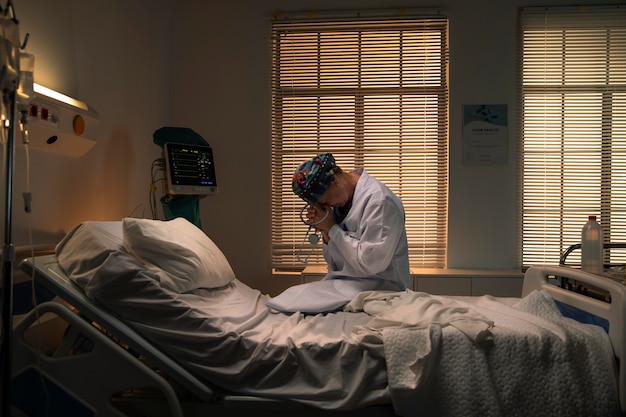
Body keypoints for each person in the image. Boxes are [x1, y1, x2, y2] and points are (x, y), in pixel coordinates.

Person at [292, 153, 411, 291]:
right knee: (290, 298)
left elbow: (371, 264)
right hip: (344, 285)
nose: (328, 206)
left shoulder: (379, 201)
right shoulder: (340, 204)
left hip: (380, 289)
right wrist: (325, 231)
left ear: (334, 180)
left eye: (325, 201)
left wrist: (332, 229)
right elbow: (333, 261)